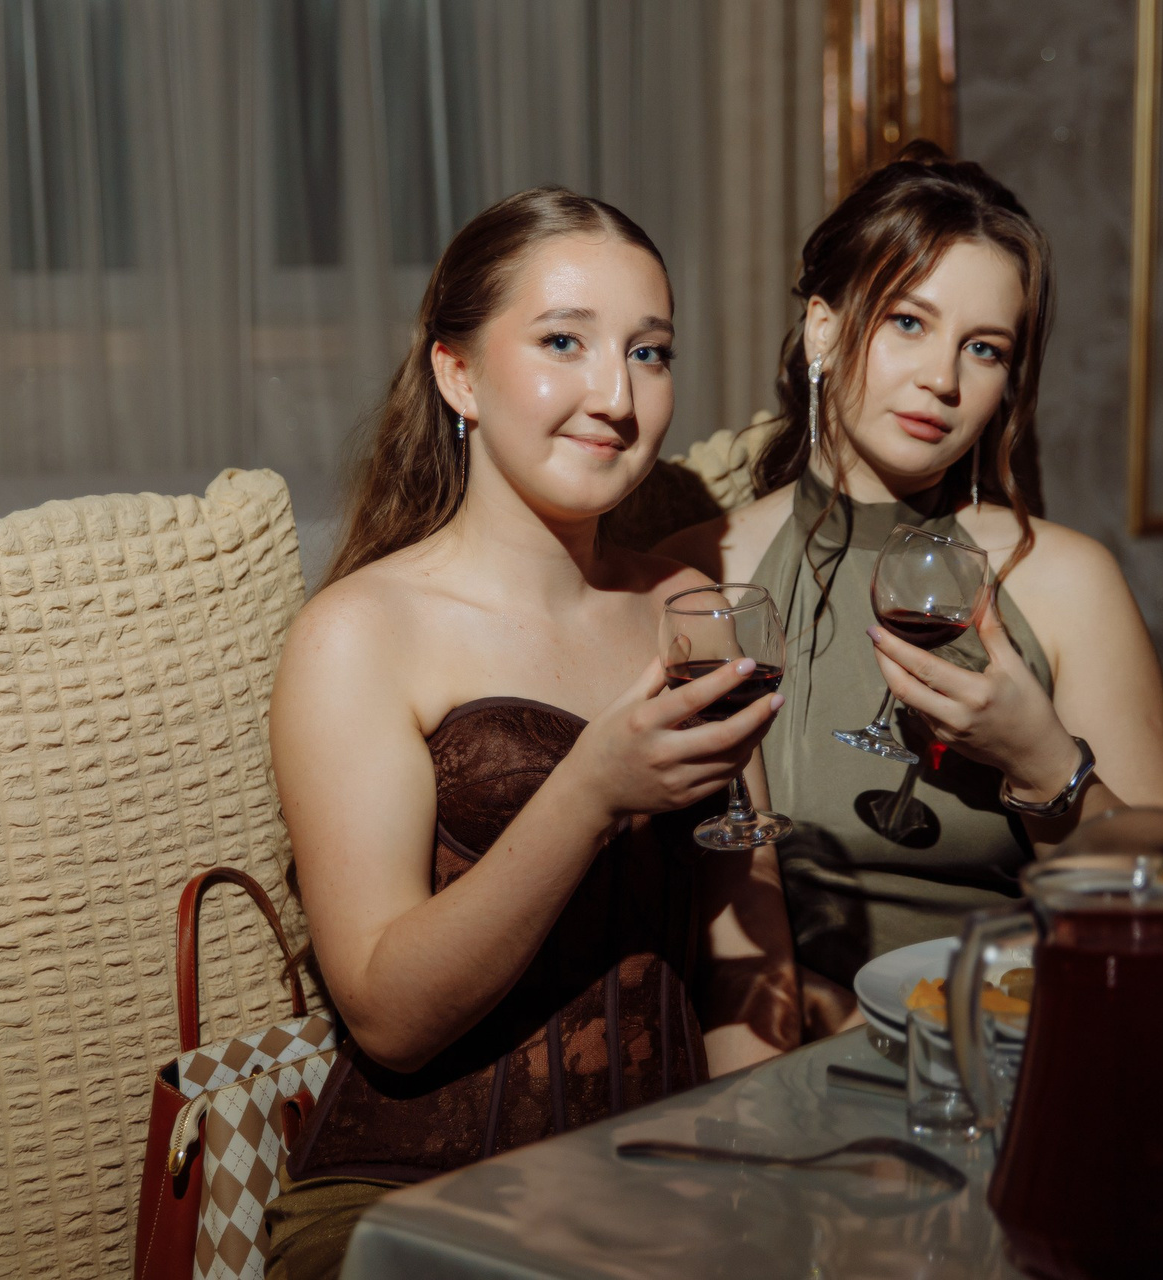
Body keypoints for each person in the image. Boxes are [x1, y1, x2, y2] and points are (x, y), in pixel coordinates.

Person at [264, 188, 799, 1279]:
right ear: (457, 373)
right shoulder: (360, 633)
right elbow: (387, 1016)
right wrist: (589, 792)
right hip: (416, 1201)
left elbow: (748, 962)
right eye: (564, 342)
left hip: (662, 1185)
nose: (616, 396)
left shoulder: (690, 610)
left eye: (650, 353)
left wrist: (759, 1181)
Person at [660, 144, 1163, 1036]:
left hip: (1017, 1038)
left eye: (983, 349)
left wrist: (1043, 763)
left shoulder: (1064, 581)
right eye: (908, 322)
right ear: (823, 330)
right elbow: (723, 935)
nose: (942, 380)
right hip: (798, 1052)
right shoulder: (705, 577)